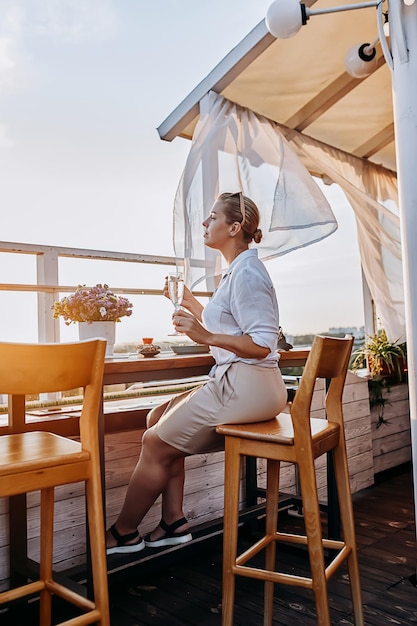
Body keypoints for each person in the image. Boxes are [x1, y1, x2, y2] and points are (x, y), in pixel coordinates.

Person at [106, 192, 288, 554]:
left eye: (212, 217)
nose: (205, 223)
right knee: (157, 416)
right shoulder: (236, 270)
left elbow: (264, 343)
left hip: (247, 385)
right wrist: (192, 304)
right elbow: (235, 326)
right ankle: (173, 520)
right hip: (244, 381)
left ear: (235, 227)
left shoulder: (248, 272)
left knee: (155, 443)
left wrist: (204, 335)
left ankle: (122, 532)